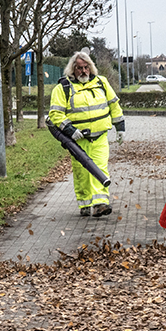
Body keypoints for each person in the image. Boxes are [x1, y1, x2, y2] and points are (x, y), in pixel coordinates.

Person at [48, 51, 126, 217]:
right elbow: (56, 114)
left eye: (86, 67)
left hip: (99, 137)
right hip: (78, 140)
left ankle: (100, 203)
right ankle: (84, 203)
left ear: (91, 68)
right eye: (79, 68)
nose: (83, 71)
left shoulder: (101, 83)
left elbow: (114, 105)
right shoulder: (63, 88)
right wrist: (71, 130)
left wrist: (120, 127)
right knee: (82, 173)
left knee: (100, 168)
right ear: (72, 70)